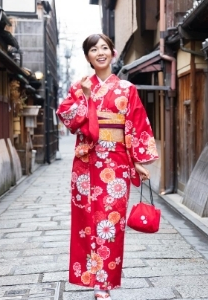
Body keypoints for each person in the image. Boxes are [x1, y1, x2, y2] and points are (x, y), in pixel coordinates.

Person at [56, 33, 158, 299]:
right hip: (87, 163)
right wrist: (88, 99)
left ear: (113, 52)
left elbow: (135, 124)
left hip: (116, 162)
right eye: (93, 49)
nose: (99, 52)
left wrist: (137, 162)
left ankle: (104, 283)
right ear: (88, 56)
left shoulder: (127, 89)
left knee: (110, 223)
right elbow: (66, 116)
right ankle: (91, 278)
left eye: (104, 48)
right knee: (87, 220)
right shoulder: (80, 87)